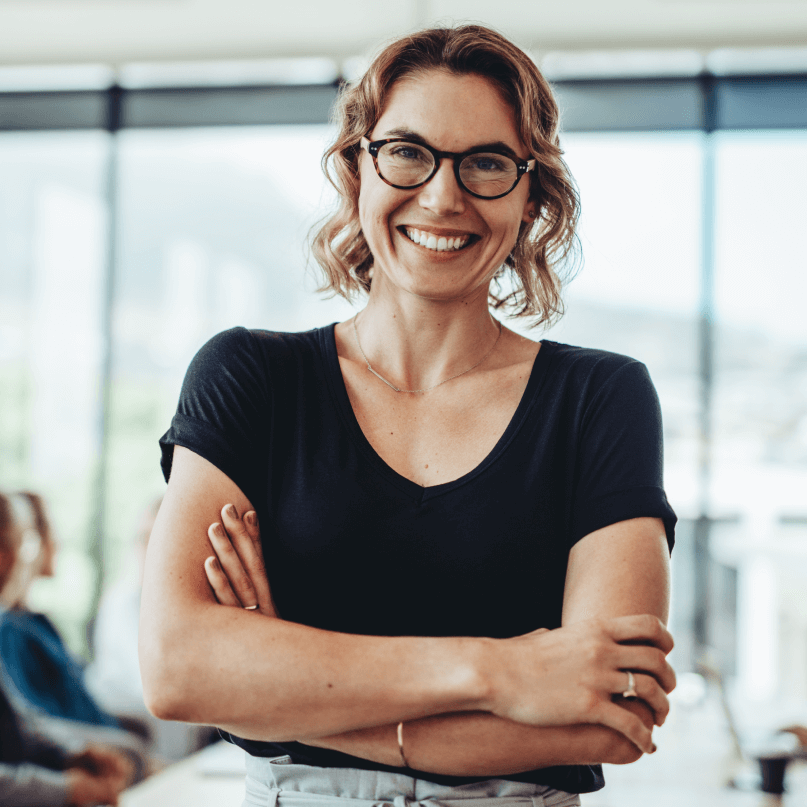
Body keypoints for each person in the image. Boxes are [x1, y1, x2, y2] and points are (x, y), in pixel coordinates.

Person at [140, 24, 677, 807]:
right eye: (407, 151)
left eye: (486, 162)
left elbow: (611, 719)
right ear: (358, 166)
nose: (442, 195)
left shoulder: (600, 398)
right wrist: (502, 672)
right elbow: (177, 668)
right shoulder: (251, 376)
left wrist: (275, 694)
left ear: (532, 196)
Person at [0, 492, 138, 805]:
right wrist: (65, 789)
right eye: (27, 543)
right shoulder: (10, 630)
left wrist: (71, 754)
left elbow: (19, 726)